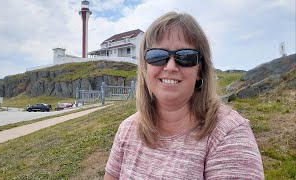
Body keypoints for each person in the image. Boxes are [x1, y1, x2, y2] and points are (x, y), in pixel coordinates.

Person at [104, 11, 264, 179]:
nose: (171, 67)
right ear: (145, 68)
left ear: (200, 70)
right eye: (157, 56)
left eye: (186, 56)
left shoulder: (228, 134)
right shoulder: (127, 129)